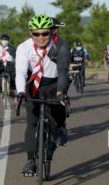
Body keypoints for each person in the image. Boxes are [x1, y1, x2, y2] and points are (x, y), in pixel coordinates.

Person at [15, 14, 70, 176]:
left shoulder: (61, 45)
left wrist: (61, 92)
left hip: (54, 83)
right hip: (33, 84)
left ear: (51, 32)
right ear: (31, 33)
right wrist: (20, 91)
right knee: (32, 122)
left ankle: (60, 127)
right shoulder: (24, 47)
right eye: (36, 34)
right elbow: (20, 72)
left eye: (45, 33)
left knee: (58, 109)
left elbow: (63, 71)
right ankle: (31, 160)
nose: (40, 37)